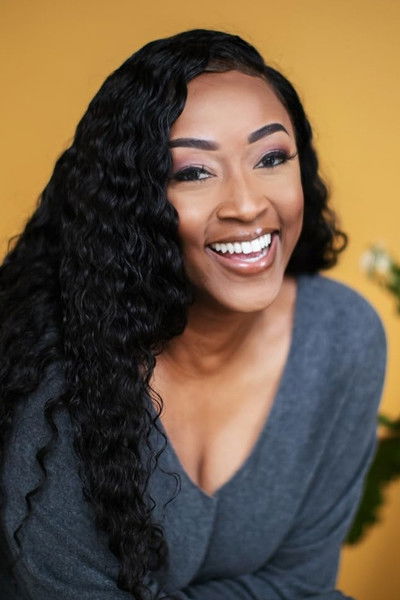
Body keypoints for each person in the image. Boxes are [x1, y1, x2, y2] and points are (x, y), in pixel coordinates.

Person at [0, 28, 387, 600]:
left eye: (271, 158)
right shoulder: (60, 376)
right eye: (193, 172)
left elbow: (303, 584)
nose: (248, 204)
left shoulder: (341, 337)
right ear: (132, 202)